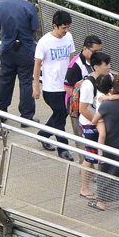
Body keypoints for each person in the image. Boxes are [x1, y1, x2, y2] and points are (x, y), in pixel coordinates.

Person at [0, 0, 40, 123]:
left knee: (5, 79)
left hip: (7, 47)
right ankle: (26, 116)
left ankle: (0, 112)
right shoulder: (28, 6)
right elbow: (36, 28)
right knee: (25, 81)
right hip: (25, 48)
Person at [33, 11, 78, 157]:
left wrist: (74, 80)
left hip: (66, 85)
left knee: (62, 114)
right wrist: (36, 86)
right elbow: (37, 64)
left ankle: (44, 134)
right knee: (60, 115)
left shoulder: (69, 37)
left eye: (68, 28)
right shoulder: (44, 42)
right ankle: (63, 148)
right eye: (63, 28)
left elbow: (72, 59)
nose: (66, 31)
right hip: (51, 87)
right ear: (55, 26)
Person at [92, 74, 119, 210]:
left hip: (108, 143)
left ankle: (102, 202)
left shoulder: (107, 105)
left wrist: (100, 121)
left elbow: (94, 120)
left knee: (105, 171)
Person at [75, 51, 111, 199]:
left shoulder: (109, 78)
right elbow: (83, 109)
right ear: (96, 67)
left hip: (100, 122)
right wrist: (97, 122)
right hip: (90, 124)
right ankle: (84, 187)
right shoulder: (89, 84)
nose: (109, 67)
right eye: (106, 64)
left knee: (97, 155)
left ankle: (95, 179)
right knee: (90, 157)